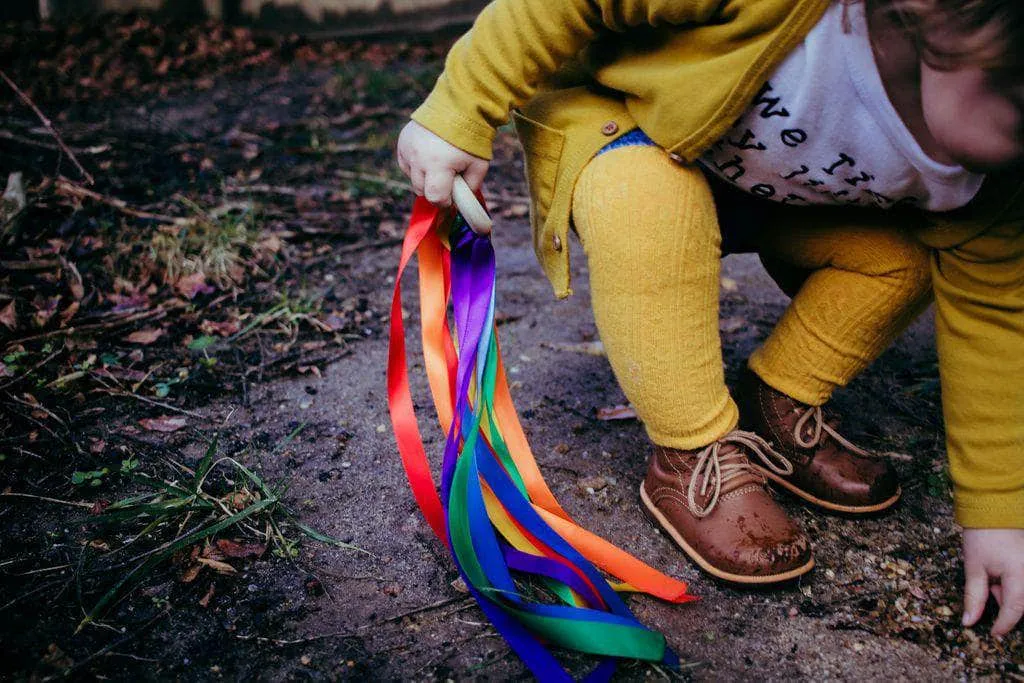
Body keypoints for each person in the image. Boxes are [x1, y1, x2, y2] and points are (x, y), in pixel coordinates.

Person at [395, 0, 1024, 635]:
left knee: (914, 255)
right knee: (651, 207)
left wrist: (1000, 512)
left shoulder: (995, 181)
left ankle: (778, 398)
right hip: (633, 128)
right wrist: (461, 110)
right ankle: (690, 451)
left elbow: (996, 317)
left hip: (774, 194)